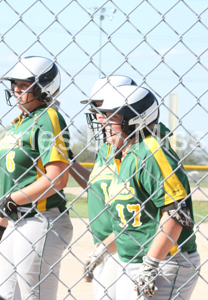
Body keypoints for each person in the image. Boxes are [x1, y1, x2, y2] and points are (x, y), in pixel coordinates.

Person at [94, 85, 199, 299]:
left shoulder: (151, 151)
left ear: (135, 119)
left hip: (165, 261)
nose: (103, 123)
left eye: (112, 117)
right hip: (131, 261)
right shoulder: (124, 154)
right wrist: (102, 250)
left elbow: (177, 213)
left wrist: (151, 264)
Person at [0, 56, 73, 300]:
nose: (16, 88)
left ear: (43, 87)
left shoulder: (49, 117)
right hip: (16, 221)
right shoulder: (18, 123)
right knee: (5, 295)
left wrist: (14, 199)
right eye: (15, 83)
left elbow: (57, 178)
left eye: (24, 84)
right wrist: (0, 229)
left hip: (42, 219)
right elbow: (14, 182)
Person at [68, 75, 137, 300]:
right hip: (107, 247)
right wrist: (69, 162)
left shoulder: (136, 150)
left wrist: (101, 250)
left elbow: (137, 211)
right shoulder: (109, 148)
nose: (99, 118)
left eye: (104, 110)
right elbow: (95, 187)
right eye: (97, 110)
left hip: (125, 247)